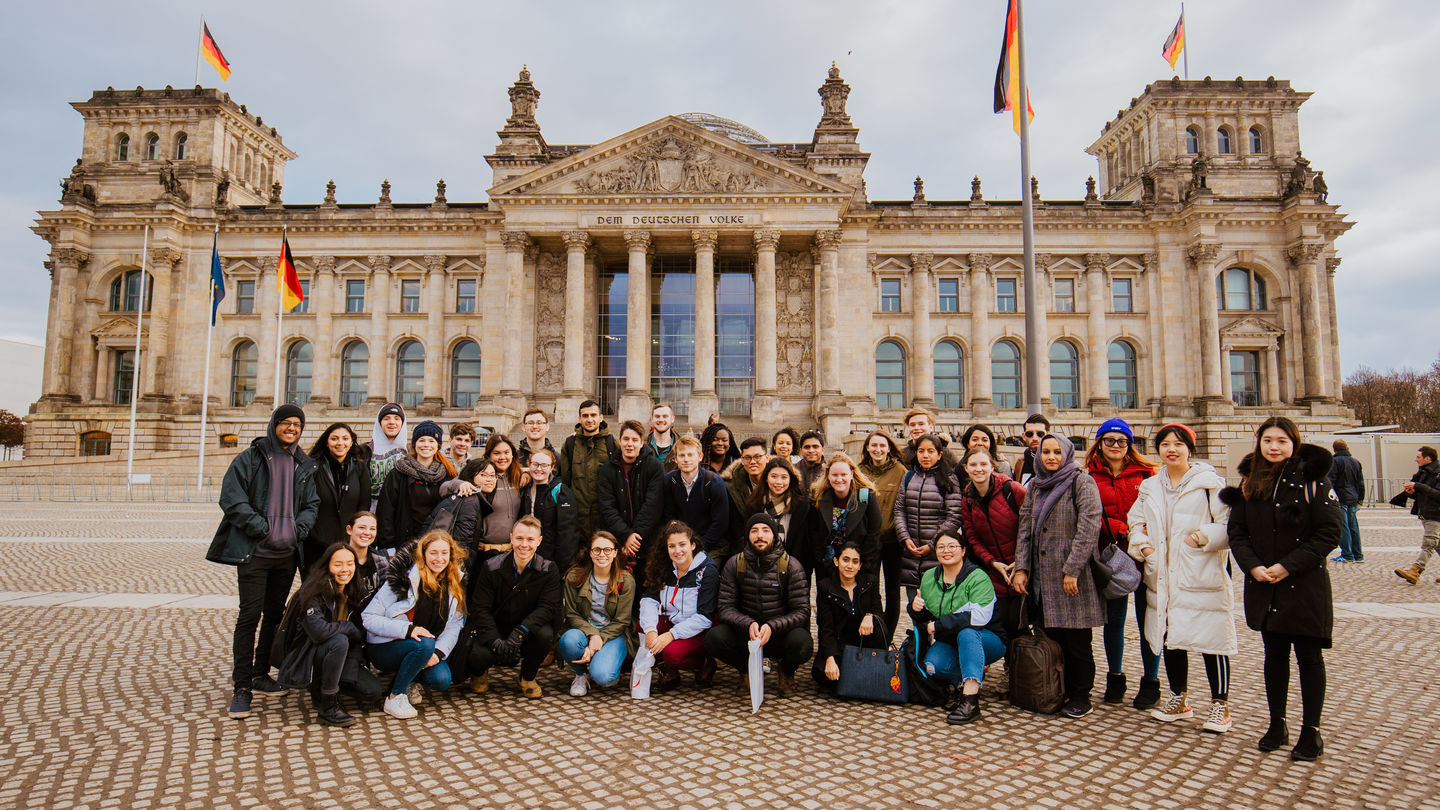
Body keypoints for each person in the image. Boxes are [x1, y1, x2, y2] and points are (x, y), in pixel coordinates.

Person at [1221, 417, 1341, 761]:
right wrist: (1253, 566)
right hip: (1264, 584)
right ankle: (1277, 724)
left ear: (1294, 444)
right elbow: (1237, 531)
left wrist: (1287, 565)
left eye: (1282, 441)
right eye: (1268, 440)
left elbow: (1329, 533)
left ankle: (1311, 731)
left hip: (1303, 584)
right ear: (1259, 443)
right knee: (1274, 657)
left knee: (1309, 658)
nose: (1274, 447)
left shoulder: (1314, 481)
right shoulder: (1249, 483)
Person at [208, 404, 319, 720]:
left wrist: (299, 530)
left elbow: (312, 503)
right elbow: (231, 498)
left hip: (285, 555)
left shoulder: (303, 464)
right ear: (275, 425)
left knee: (274, 615)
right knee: (249, 616)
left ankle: (259, 673)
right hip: (255, 553)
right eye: (286, 422)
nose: (292, 428)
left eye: (297, 424)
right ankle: (241, 686)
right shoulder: (251, 458)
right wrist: (262, 528)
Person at [1126, 423, 1235, 733]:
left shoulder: (1210, 484)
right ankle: (1179, 698)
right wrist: (1142, 546)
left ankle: (1220, 705)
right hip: (1161, 573)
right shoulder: (1150, 487)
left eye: (1178, 444)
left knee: (1212, 638)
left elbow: (1230, 525)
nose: (1171, 449)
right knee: (1170, 636)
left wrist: (1203, 536)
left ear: (1190, 448)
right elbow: (1135, 522)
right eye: (1165, 444)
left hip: (1200, 572)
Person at [1011, 433, 1105, 719]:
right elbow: (1024, 529)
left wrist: (1072, 570)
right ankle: (1056, 688)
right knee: (1051, 638)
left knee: (1077, 642)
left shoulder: (1081, 481)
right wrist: (1022, 568)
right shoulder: (1036, 485)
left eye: (1056, 452)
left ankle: (1080, 694)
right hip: (1042, 578)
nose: (1051, 457)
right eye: (1045, 452)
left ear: (1067, 454)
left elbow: (1089, 527)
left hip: (1071, 577)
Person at [1084, 417, 1158, 708]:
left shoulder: (1148, 475)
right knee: (1113, 622)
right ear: (1100, 444)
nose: (1115, 446)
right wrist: (1116, 528)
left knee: (1148, 621)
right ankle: (1115, 678)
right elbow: (1088, 513)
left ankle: (1150, 682)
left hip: (1146, 554)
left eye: (1121, 441)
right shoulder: (1088, 476)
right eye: (1109, 440)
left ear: (1130, 445)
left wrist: (1140, 532)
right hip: (1111, 557)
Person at [273, 543, 384, 726]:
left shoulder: (355, 590)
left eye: (350, 563)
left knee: (372, 692)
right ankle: (328, 706)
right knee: (338, 640)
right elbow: (319, 633)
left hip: (342, 654)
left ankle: (333, 683)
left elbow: (358, 638)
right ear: (327, 566)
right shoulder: (312, 592)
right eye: (338, 564)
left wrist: (351, 668)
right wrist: (347, 627)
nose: (345, 569)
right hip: (308, 654)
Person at [362, 529, 467, 719]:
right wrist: (408, 630)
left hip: (425, 648)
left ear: (451, 555)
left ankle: (409, 679)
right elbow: (368, 617)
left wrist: (438, 653)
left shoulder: (454, 581)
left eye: (444, 553)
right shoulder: (404, 579)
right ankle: (395, 697)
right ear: (423, 554)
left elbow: (455, 623)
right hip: (386, 646)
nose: (439, 558)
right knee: (424, 643)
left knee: (441, 679)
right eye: (433, 553)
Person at [705, 514, 813, 697]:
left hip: (779, 635)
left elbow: (802, 611)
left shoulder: (792, 565)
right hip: (747, 634)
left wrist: (773, 626)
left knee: (802, 643)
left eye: (765, 530)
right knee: (714, 638)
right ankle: (746, 671)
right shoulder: (734, 564)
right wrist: (748, 624)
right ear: (747, 536)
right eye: (754, 531)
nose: (760, 536)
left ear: (775, 535)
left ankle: (786, 672)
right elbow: (724, 608)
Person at [913, 532, 1007, 725]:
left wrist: (938, 626)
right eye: (941, 547)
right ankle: (967, 674)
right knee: (932, 667)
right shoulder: (930, 577)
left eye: (952, 546)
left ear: (963, 550)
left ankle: (970, 701)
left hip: (987, 639)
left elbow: (978, 618)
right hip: (951, 640)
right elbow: (927, 617)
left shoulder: (978, 577)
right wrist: (914, 608)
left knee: (968, 632)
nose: (946, 551)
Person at [464, 516, 563, 699]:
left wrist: (520, 632)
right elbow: (480, 608)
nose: (524, 544)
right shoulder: (491, 567)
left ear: (539, 541)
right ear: (511, 538)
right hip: (496, 627)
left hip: (526, 628)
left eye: (530, 539)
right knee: (477, 653)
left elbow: (547, 608)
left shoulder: (549, 570)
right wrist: (495, 641)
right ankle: (479, 673)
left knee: (545, 635)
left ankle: (527, 677)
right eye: (519, 538)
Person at [639, 521, 721, 690]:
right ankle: (671, 673)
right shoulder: (664, 567)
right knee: (642, 625)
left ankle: (705, 663)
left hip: (700, 628)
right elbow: (649, 599)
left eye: (682, 544)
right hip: (674, 621)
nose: (677, 551)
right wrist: (651, 631)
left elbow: (705, 617)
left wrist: (670, 635)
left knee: (672, 654)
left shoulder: (707, 570)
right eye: (672, 546)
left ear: (693, 545)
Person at [957, 446, 1026, 643]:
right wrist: (993, 562)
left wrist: (1021, 563)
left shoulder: (1012, 490)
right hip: (995, 570)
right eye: (973, 465)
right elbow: (972, 538)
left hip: (1021, 567)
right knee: (1003, 622)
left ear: (992, 466)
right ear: (966, 468)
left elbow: (1030, 529)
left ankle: (1030, 666)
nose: (978, 469)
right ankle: (1011, 663)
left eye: (983, 464)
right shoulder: (968, 498)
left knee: (1021, 621)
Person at [558, 531, 638, 696]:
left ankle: (604, 664)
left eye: (607, 550)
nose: (602, 554)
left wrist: (600, 639)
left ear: (615, 552)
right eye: (597, 550)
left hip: (614, 634)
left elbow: (622, 621)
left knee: (604, 676)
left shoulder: (626, 580)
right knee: (568, 641)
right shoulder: (575, 577)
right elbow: (571, 614)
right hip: (584, 632)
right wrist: (593, 635)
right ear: (590, 552)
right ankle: (581, 674)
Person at [894, 433, 964, 617]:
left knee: (938, 612)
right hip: (911, 555)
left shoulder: (949, 479)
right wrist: (905, 538)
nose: (926, 455)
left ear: (939, 455)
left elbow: (954, 516)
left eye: (930, 451)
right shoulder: (908, 477)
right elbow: (899, 510)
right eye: (921, 451)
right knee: (915, 611)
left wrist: (932, 545)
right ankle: (919, 646)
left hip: (937, 555)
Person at [375, 421, 456, 555]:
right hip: (404, 543)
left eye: (431, 441)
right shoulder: (398, 473)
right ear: (414, 444)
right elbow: (386, 512)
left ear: (438, 446)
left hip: (436, 543)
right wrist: (388, 546)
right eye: (421, 440)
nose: (426, 445)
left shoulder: (446, 474)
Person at [813, 542, 885, 691]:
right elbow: (825, 628)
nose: (850, 566)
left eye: (855, 561)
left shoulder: (870, 583)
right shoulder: (825, 587)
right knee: (821, 674)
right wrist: (830, 658)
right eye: (845, 560)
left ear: (860, 566)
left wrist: (869, 615)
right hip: (840, 645)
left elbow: (879, 613)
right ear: (836, 561)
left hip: (865, 644)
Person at [858, 430, 906, 641]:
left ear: (889, 448)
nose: (878, 450)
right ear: (867, 448)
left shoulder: (900, 471)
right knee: (870, 588)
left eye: (882, 445)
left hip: (893, 541)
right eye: (873, 445)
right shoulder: (858, 471)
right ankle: (874, 634)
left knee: (893, 591)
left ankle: (887, 636)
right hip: (868, 541)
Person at [305, 423, 372, 572]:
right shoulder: (313, 468)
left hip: (348, 546)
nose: (340, 443)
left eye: (345, 438)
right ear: (326, 442)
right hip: (317, 546)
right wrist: (314, 534)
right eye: (334, 439)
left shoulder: (360, 468)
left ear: (351, 442)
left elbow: (364, 506)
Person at [598, 420, 666, 566]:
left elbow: (652, 506)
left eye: (635, 440)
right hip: (617, 543)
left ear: (642, 443)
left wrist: (634, 539)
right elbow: (607, 508)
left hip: (648, 543)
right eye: (626, 439)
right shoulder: (607, 470)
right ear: (620, 441)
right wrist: (625, 536)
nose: (630, 444)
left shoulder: (654, 466)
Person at [811, 452, 881, 576]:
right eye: (834, 475)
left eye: (843, 474)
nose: (839, 479)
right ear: (828, 476)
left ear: (852, 474)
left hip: (858, 566)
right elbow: (815, 533)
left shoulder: (867, 497)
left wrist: (863, 564)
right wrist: (821, 560)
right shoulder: (818, 498)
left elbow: (874, 533)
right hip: (829, 566)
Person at [744, 457, 818, 569]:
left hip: (794, 570)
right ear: (766, 478)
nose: (779, 482)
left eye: (784, 477)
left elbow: (807, 546)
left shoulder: (803, 507)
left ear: (790, 479)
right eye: (774, 476)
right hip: (760, 569)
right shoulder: (754, 506)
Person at [662, 434, 730, 555]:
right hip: (679, 544)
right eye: (682, 455)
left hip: (709, 545)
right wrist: (682, 546)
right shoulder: (669, 481)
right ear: (675, 459)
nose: (686, 459)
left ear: (700, 457)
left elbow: (720, 523)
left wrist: (697, 548)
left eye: (690, 455)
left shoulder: (713, 482)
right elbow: (669, 516)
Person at [558, 400, 617, 539]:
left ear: (600, 417)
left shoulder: (612, 443)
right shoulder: (570, 444)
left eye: (593, 415)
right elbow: (565, 481)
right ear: (579, 419)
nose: (589, 419)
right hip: (578, 519)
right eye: (585, 416)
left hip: (605, 517)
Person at [519, 448, 579, 567]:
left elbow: (567, 533)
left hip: (550, 559)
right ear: (529, 465)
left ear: (551, 468)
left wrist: (563, 565)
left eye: (544, 465)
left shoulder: (560, 491)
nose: (539, 469)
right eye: (535, 464)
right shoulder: (524, 489)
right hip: (526, 554)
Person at [1393, 446, 1440, 584]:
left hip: (1436, 513)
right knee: (1437, 544)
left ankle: (1415, 571)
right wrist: (1411, 492)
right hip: (1425, 513)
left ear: (1428, 458)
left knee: (1429, 543)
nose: (1415, 459)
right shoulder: (1423, 473)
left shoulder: (1438, 473)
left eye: (1418, 457)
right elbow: (1423, 494)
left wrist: (1418, 486)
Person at [473, 434, 527, 551]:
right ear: (488, 456)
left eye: (506, 452)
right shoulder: (480, 476)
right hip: (485, 549)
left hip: (513, 549)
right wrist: (461, 484)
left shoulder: (518, 477)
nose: (502, 457)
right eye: (496, 453)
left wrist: (527, 474)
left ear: (512, 454)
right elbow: (447, 487)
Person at [724, 438, 769, 558]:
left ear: (767, 458)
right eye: (747, 458)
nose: (753, 461)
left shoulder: (779, 482)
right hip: (743, 552)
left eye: (758, 456)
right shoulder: (730, 487)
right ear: (742, 460)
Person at [364, 402, 407, 511]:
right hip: (370, 510)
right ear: (380, 423)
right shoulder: (364, 451)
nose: (392, 422)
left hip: (398, 511)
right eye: (386, 418)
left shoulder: (410, 452)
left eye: (397, 418)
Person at [1328, 439, 1364, 563]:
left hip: (1341, 498)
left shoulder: (1335, 462)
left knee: (1343, 526)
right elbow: (1360, 483)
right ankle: (1358, 554)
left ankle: (1347, 554)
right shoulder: (1356, 462)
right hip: (1353, 498)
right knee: (1353, 526)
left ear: (1334, 449)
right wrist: (1360, 499)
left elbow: (1330, 482)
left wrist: (1330, 498)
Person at [344, 510, 383, 601]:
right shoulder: (337, 558)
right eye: (362, 527)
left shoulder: (381, 561)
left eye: (372, 529)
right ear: (349, 530)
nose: (367, 532)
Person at [1012, 414, 1050, 485]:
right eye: (1029, 434)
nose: (1035, 438)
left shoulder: (1056, 461)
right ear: (1023, 436)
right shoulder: (1021, 463)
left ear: (1048, 435)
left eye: (1040, 434)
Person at [646, 402, 679, 472]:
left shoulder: (682, 447)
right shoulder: (642, 446)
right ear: (652, 418)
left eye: (665, 416)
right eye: (657, 416)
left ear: (672, 419)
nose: (661, 420)